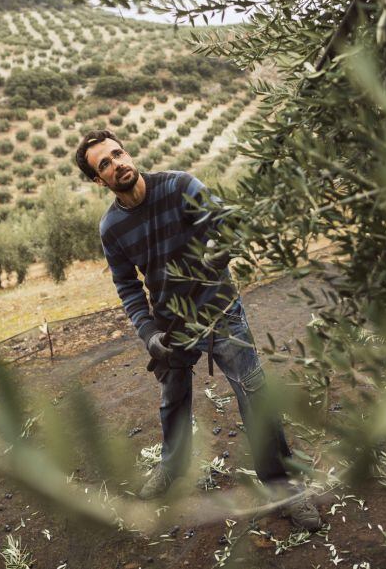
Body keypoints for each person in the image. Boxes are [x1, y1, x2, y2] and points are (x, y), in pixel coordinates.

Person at [74, 128, 321, 530]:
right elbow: (128, 287)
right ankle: (173, 467)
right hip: (171, 324)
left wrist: (217, 253)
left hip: (220, 311)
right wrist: (150, 336)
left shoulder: (179, 186)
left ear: (128, 153)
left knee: (255, 394)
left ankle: (283, 488)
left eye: (118, 153)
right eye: (105, 163)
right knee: (172, 399)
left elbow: (228, 226)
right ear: (98, 180)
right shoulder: (112, 228)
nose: (117, 163)